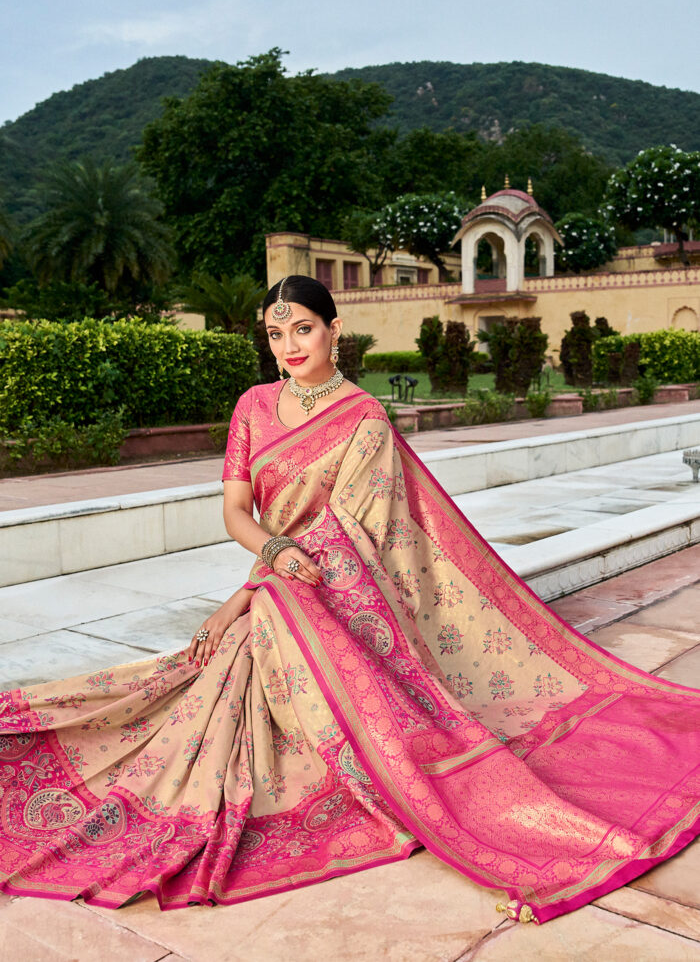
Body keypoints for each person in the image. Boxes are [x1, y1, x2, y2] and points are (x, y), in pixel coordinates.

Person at [0, 275, 698, 924]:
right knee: (199, 689)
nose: (289, 347)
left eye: (302, 329)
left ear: (335, 330)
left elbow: (355, 535)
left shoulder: (363, 419)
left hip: (333, 595)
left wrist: (242, 599)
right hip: (282, 580)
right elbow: (239, 514)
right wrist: (271, 559)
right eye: (276, 336)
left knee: (251, 653)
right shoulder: (253, 406)